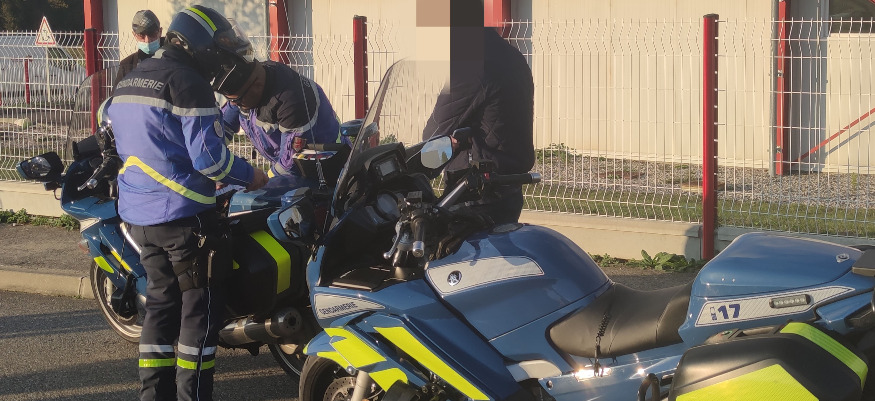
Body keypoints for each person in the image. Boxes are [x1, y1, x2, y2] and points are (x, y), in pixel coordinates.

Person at [105, 5, 268, 400]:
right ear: (201, 46)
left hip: (142, 219)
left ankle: (153, 395)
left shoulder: (131, 78)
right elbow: (210, 160)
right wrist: (253, 176)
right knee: (199, 316)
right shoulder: (188, 82)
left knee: (160, 308)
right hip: (185, 219)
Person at [421, 0, 535, 224]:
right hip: (508, 188)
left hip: (475, 194)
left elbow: (432, 137)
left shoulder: (472, 65)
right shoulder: (511, 55)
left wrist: (416, 166)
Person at [214, 53, 344, 178]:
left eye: (236, 100)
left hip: (322, 167)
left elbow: (289, 164)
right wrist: (218, 169)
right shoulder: (247, 84)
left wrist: (260, 180)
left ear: (257, 86)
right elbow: (224, 127)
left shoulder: (293, 101)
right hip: (288, 165)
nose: (233, 104)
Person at [113, 10, 164, 87]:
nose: (147, 40)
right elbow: (117, 93)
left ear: (160, 32)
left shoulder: (172, 59)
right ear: (134, 35)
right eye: (141, 36)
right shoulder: (127, 65)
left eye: (152, 34)